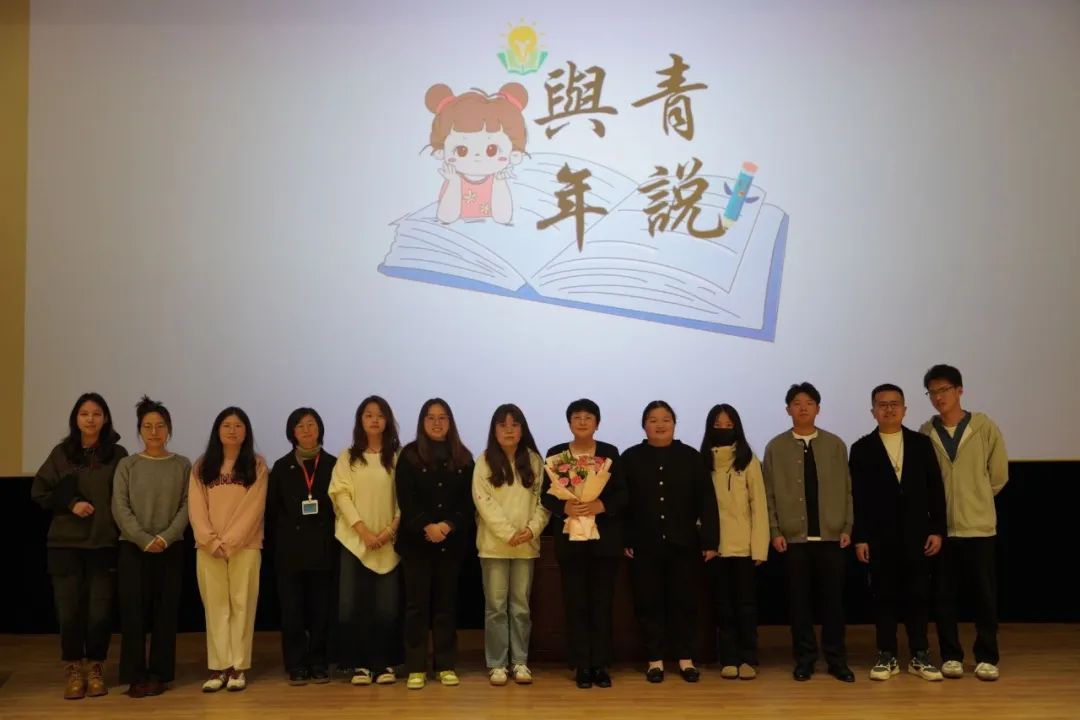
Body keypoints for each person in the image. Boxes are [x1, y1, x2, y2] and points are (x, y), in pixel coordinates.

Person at [31, 392, 128, 699]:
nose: (90, 419)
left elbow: (125, 496)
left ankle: (96, 668)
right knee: (69, 611)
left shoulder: (118, 454)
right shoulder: (62, 453)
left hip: (103, 543)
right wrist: (71, 503)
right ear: (75, 418)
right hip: (65, 545)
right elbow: (39, 490)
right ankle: (73, 669)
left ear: (106, 418)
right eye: (84, 413)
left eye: (97, 413)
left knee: (100, 612)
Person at [850, 384, 946, 682]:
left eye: (894, 404)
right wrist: (860, 537)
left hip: (917, 535)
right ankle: (886, 654)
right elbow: (857, 498)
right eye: (882, 404)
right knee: (884, 596)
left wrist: (937, 530)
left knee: (918, 595)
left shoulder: (921, 444)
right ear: (873, 411)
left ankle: (920, 655)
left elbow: (935, 489)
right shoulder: (862, 448)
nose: (889, 409)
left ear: (904, 409)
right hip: (879, 537)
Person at [919, 364, 1009, 681]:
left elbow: (998, 475)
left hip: (979, 527)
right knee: (944, 596)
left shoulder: (983, 427)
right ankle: (951, 655)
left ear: (959, 390)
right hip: (942, 530)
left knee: (984, 596)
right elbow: (924, 481)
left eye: (944, 390)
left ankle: (987, 656)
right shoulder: (926, 432)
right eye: (932, 392)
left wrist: (977, 498)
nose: (938, 397)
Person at [763, 382, 855, 682]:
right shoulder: (775, 447)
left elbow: (848, 490)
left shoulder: (835, 445)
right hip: (793, 540)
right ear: (788, 409)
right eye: (797, 403)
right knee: (799, 604)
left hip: (831, 538)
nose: (803, 408)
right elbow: (768, 494)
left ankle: (836, 660)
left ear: (818, 408)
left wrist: (847, 526)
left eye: (809, 403)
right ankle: (804, 660)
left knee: (834, 604)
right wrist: (775, 530)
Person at [622, 400, 719, 684]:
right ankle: (655, 661)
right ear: (644, 426)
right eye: (653, 420)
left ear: (674, 424)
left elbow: (707, 501)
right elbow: (623, 503)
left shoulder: (691, 457)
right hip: (644, 545)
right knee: (648, 603)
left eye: (666, 419)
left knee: (684, 603)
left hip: (684, 545)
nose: (660, 425)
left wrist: (710, 540)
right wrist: (626, 538)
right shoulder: (630, 458)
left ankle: (686, 659)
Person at [541, 399, 627, 689]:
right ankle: (581, 665)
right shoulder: (556, 454)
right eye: (576, 417)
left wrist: (601, 505)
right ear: (569, 423)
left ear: (597, 423)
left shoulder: (610, 453)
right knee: (575, 603)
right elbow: (546, 495)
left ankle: (600, 664)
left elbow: (623, 493)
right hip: (570, 540)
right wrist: (565, 507)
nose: (582, 422)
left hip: (604, 542)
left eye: (588, 417)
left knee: (602, 603)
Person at [112, 396, 191, 697]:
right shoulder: (127, 464)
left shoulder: (182, 464)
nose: (154, 432)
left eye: (160, 426)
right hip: (133, 547)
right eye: (147, 426)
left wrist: (166, 537)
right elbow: (120, 506)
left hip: (171, 547)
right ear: (139, 430)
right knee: (133, 612)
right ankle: (135, 674)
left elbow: (187, 505)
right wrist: (144, 539)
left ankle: (160, 673)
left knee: (165, 612)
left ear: (169, 429)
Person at [395, 398, 475, 690]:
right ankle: (416, 667)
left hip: (451, 544)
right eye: (431, 417)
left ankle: (445, 665)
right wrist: (426, 526)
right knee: (416, 607)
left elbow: (468, 502)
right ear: (422, 422)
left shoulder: (464, 457)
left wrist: (448, 525)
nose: (437, 423)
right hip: (416, 544)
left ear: (450, 422)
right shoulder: (409, 455)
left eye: (442, 417)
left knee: (445, 606)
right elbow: (405, 498)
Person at [189, 406, 268, 693]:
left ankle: (238, 667)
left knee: (242, 606)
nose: (232, 430)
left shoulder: (257, 465)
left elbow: (254, 507)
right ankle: (219, 667)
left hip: (245, 546)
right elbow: (196, 507)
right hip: (208, 548)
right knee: (216, 607)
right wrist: (211, 541)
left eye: (238, 425)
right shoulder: (202, 466)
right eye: (226, 425)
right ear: (217, 431)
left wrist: (231, 541)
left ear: (246, 431)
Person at [473, 403, 550, 686]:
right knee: (495, 607)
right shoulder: (484, 461)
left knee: (520, 607)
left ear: (522, 429)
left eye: (514, 424)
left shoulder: (534, 460)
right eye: (502, 425)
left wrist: (531, 530)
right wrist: (508, 533)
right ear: (494, 430)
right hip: (493, 546)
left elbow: (544, 501)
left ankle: (519, 661)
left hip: (526, 547)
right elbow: (483, 502)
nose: (509, 430)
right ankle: (497, 664)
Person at [329, 395, 403, 686]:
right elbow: (340, 495)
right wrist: (364, 532)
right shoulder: (348, 457)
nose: (374, 420)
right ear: (360, 420)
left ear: (388, 421)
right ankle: (359, 665)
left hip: (389, 542)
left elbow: (405, 498)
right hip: (355, 541)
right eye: (369, 415)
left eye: (380, 415)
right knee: (352, 604)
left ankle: (384, 664)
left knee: (387, 606)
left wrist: (388, 531)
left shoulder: (398, 457)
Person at [266, 408, 337, 685]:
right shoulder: (281, 467)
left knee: (321, 611)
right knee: (292, 611)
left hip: (323, 549)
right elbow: (272, 511)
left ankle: (319, 662)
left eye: (311, 424)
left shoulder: (333, 464)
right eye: (300, 426)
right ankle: (296, 664)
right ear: (292, 433)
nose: (307, 430)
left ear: (320, 429)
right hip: (290, 552)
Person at [700, 403, 768, 680]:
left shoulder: (748, 460)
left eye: (728, 425)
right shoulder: (702, 461)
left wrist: (760, 547)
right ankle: (728, 658)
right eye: (718, 425)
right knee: (723, 606)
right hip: (714, 547)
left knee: (746, 606)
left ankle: (748, 657)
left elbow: (759, 505)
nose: (723, 429)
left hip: (745, 546)